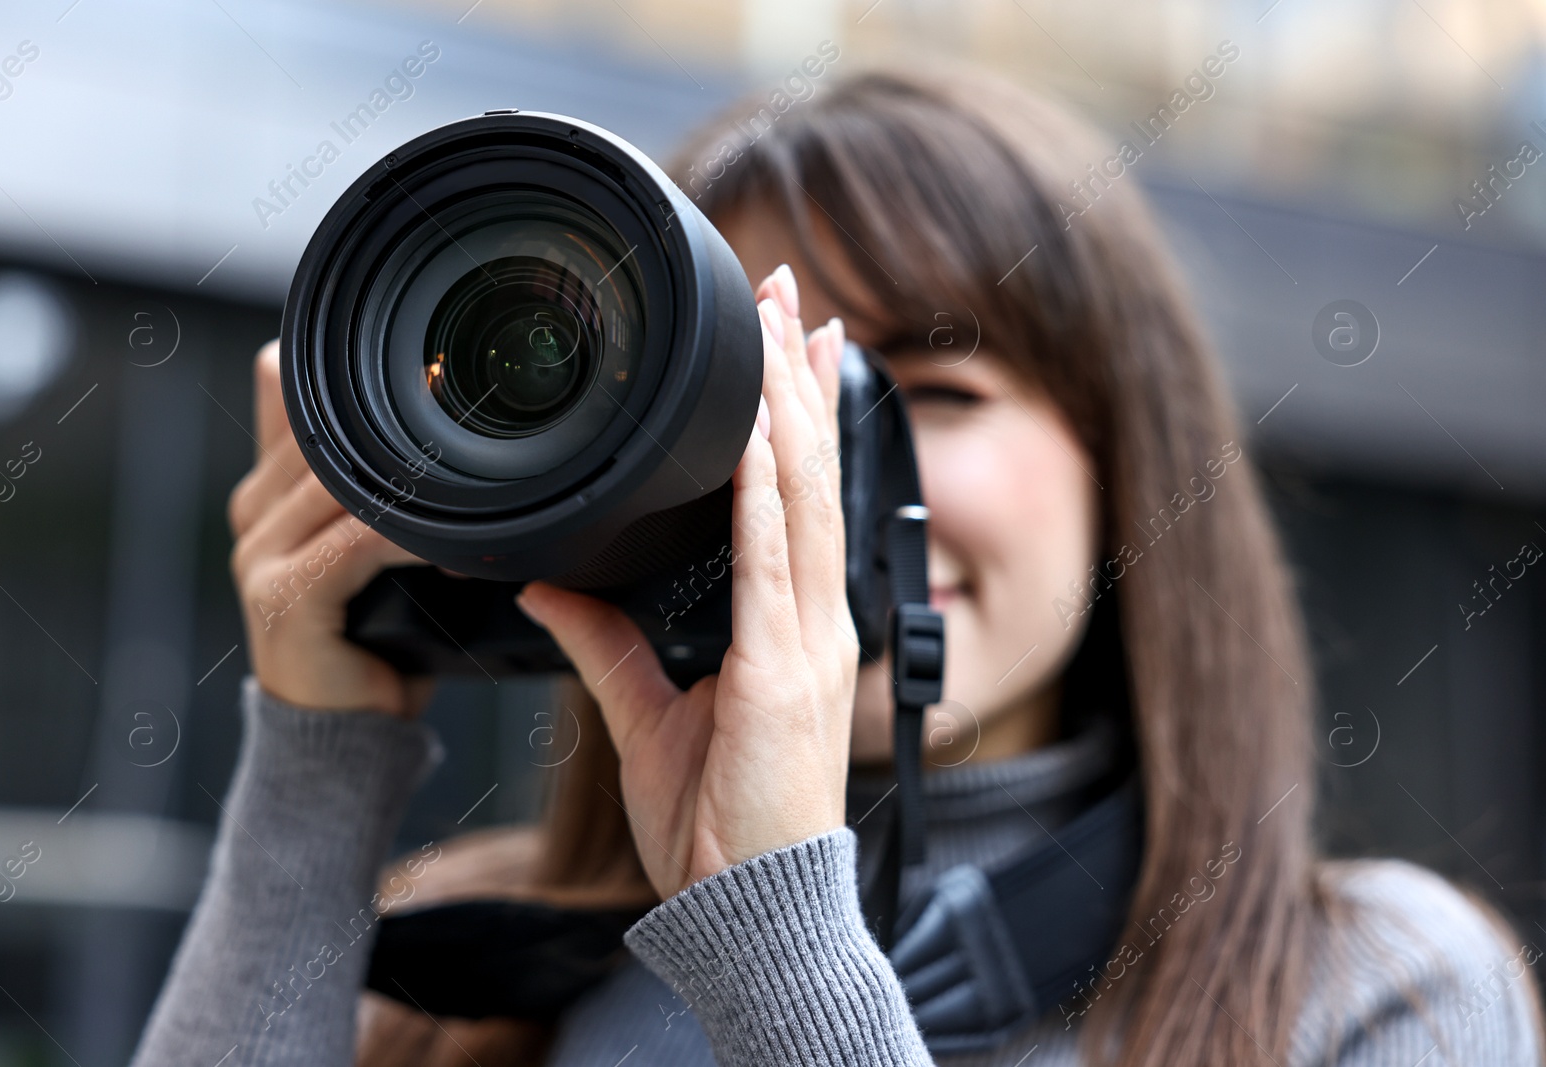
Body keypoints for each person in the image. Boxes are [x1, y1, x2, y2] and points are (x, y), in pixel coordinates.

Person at [130, 67, 1544, 1067]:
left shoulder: (1375, 994)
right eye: (750, 395)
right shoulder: (458, 961)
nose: (816, 470)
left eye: (927, 389)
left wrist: (776, 940)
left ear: (1130, 470)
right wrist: (317, 763)